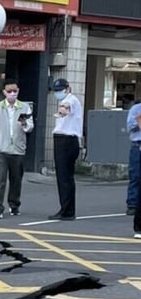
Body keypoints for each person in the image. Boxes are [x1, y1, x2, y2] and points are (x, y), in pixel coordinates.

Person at [0, 78, 34, 220]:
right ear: (4, 92)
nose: (12, 93)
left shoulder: (24, 107)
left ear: (18, 91)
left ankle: (14, 205)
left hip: (18, 149)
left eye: (15, 91)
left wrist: (25, 124)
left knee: (16, 179)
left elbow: (30, 127)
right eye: (9, 91)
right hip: (1, 148)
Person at [49, 78, 83, 221]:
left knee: (64, 177)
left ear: (67, 89)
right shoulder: (67, 100)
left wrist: (62, 110)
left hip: (66, 141)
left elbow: (66, 107)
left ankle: (67, 211)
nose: (57, 93)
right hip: (65, 141)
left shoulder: (71, 100)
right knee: (65, 177)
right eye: (56, 90)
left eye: (60, 90)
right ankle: (67, 209)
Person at [127, 100, 141, 223]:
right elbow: (130, 126)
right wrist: (138, 121)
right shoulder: (136, 109)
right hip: (137, 144)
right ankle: (132, 204)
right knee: (135, 175)